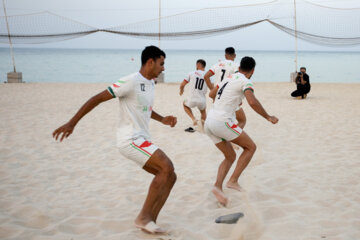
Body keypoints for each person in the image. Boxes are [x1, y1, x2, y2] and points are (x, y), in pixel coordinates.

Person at [52, 46, 177, 234]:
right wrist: (72, 123)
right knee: (166, 166)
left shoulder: (150, 83)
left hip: (143, 139)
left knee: (170, 176)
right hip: (130, 140)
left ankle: (150, 221)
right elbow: (97, 98)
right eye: (161, 64)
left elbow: (144, 108)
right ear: (150, 62)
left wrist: (162, 119)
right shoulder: (130, 81)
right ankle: (143, 217)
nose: (163, 68)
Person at [205, 56, 279, 206]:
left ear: (239, 68)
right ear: (252, 71)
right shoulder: (246, 81)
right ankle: (233, 181)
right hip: (222, 121)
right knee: (251, 147)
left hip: (209, 121)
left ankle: (218, 187)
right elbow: (252, 101)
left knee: (230, 156)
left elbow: (211, 94)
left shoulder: (228, 78)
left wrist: (227, 100)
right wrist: (268, 116)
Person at [204, 47, 247, 129]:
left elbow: (206, 76)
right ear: (234, 55)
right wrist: (239, 99)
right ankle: (231, 137)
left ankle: (227, 137)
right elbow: (238, 80)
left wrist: (213, 90)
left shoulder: (218, 64)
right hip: (229, 95)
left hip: (217, 95)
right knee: (241, 120)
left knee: (220, 119)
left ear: (225, 55)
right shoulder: (236, 66)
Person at [179, 59, 212, 132]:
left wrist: (181, 90)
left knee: (184, 104)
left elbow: (182, 84)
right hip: (202, 100)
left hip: (192, 99)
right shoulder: (207, 75)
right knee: (203, 112)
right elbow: (211, 87)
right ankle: (203, 127)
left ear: (198, 65)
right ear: (204, 66)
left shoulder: (191, 73)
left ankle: (193, 119)